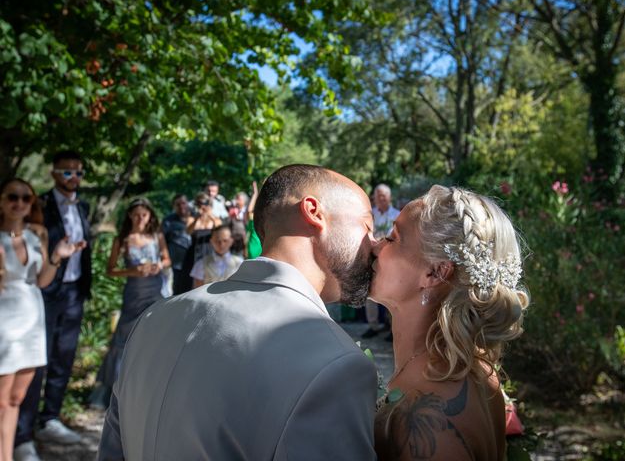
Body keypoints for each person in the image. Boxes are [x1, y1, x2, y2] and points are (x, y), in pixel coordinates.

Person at [97, 164, 378, 460]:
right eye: (367, 225)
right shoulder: (336, 364)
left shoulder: (154, 318)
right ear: (314, 211)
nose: (374, 244)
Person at [371, 185, 529, 460]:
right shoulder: (475, 369)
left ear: (435, 272)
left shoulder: (431, 419)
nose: (375, 245)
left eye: (392, 238)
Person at [15, 151, 92, 461]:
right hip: (45, 292)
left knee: (64, 355)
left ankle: (51, 419)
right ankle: (24, 431)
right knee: (38, 360)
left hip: (74, 291)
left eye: (79, 173)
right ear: (54, 174)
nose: (74, 178)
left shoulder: (84, 206)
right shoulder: (40, 205)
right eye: (68, 173)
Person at [0, 178, 84, 461]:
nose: (20, 203)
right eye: (13, 196)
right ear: (1, 201)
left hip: (32, 321)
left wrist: (59, 257)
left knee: (15, 400)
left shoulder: (37, 235)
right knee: (1, 401)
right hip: (4, 321)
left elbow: (43, 280)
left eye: (26, 198)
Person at [89, 198, 170, 410]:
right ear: (129, 216)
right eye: (136, 214)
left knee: (154, 335)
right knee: (125, 337)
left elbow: (167, 259)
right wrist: (132, 271)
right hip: (134, 292)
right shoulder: (122, 239)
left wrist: (158, 265)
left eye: (144, 214)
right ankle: (116, 389)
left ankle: (149, 387)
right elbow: (110, 269)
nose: (140, 218)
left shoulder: (156, 236)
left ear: (150, 216)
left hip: (155, 291)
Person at [362, 183, 400, 339]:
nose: (380, 199)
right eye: (377, 196)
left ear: (389, 197)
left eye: (382, 196)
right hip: (373, 257)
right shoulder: (371, 215)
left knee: (392, 292)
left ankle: (393, 327)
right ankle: (373, 325)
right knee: (371, 290)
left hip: (392, 258)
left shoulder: (397, 215)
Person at [161, 194, 194, 295]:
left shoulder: (196, 217)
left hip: (194, 264)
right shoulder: (168, 221)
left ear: (188, 203)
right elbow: (161, 242)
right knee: (176, 294)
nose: (181, 206)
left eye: (183, 203)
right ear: (174, 206)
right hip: (176, 266)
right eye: (178, 204)